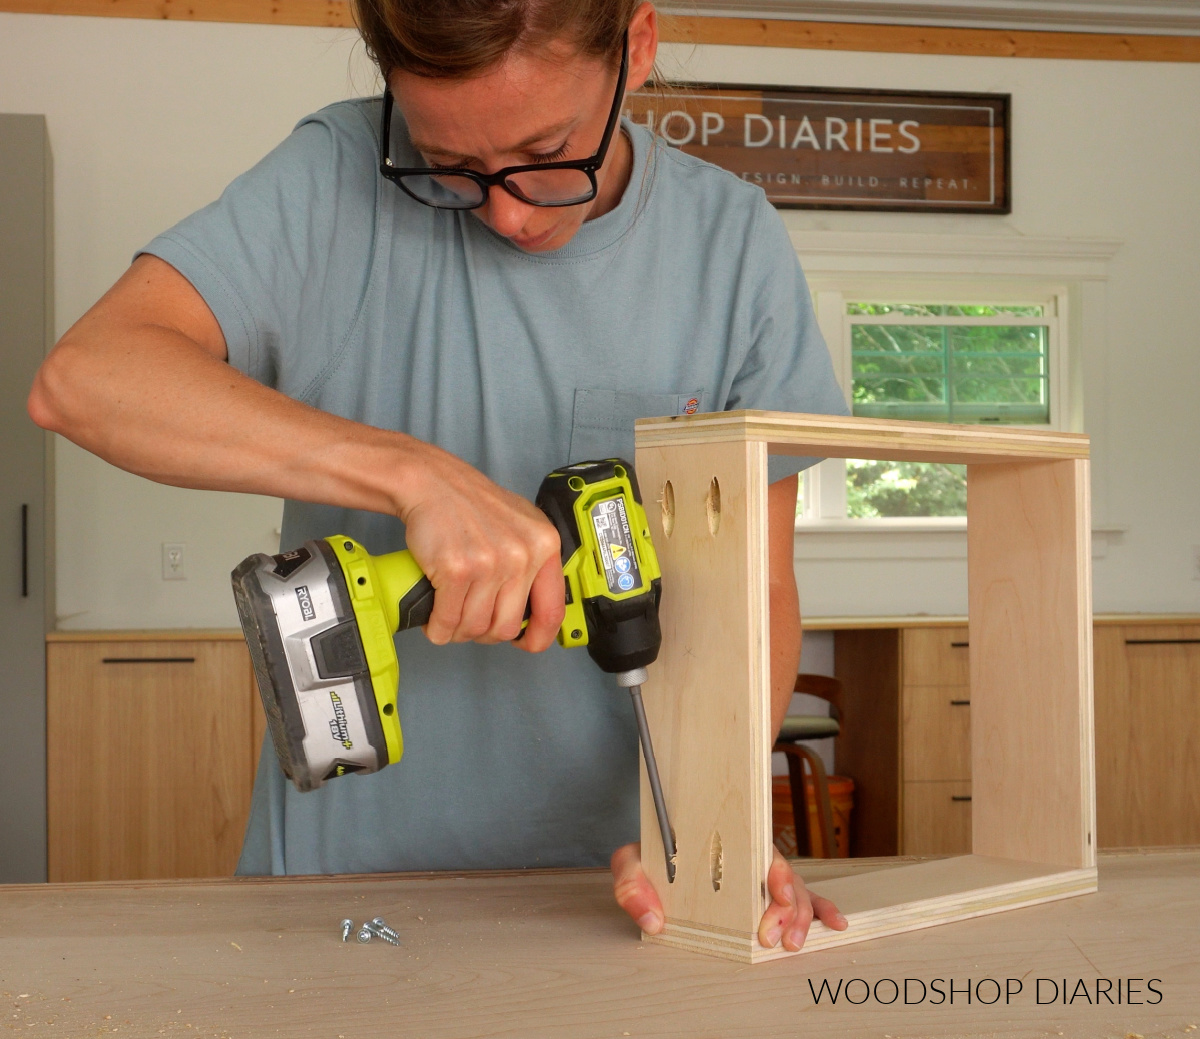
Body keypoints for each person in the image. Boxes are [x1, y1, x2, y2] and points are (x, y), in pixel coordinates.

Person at [28, 0, 849, 952]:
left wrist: (721, 823)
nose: (503, 212)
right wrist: (413, 475)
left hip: (627, 899)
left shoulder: (729, 242)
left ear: (638, 45)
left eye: (546, 152)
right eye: (452, 169)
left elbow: (765, 586)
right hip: (344, 899)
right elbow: (84, 379)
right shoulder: (338, 175)